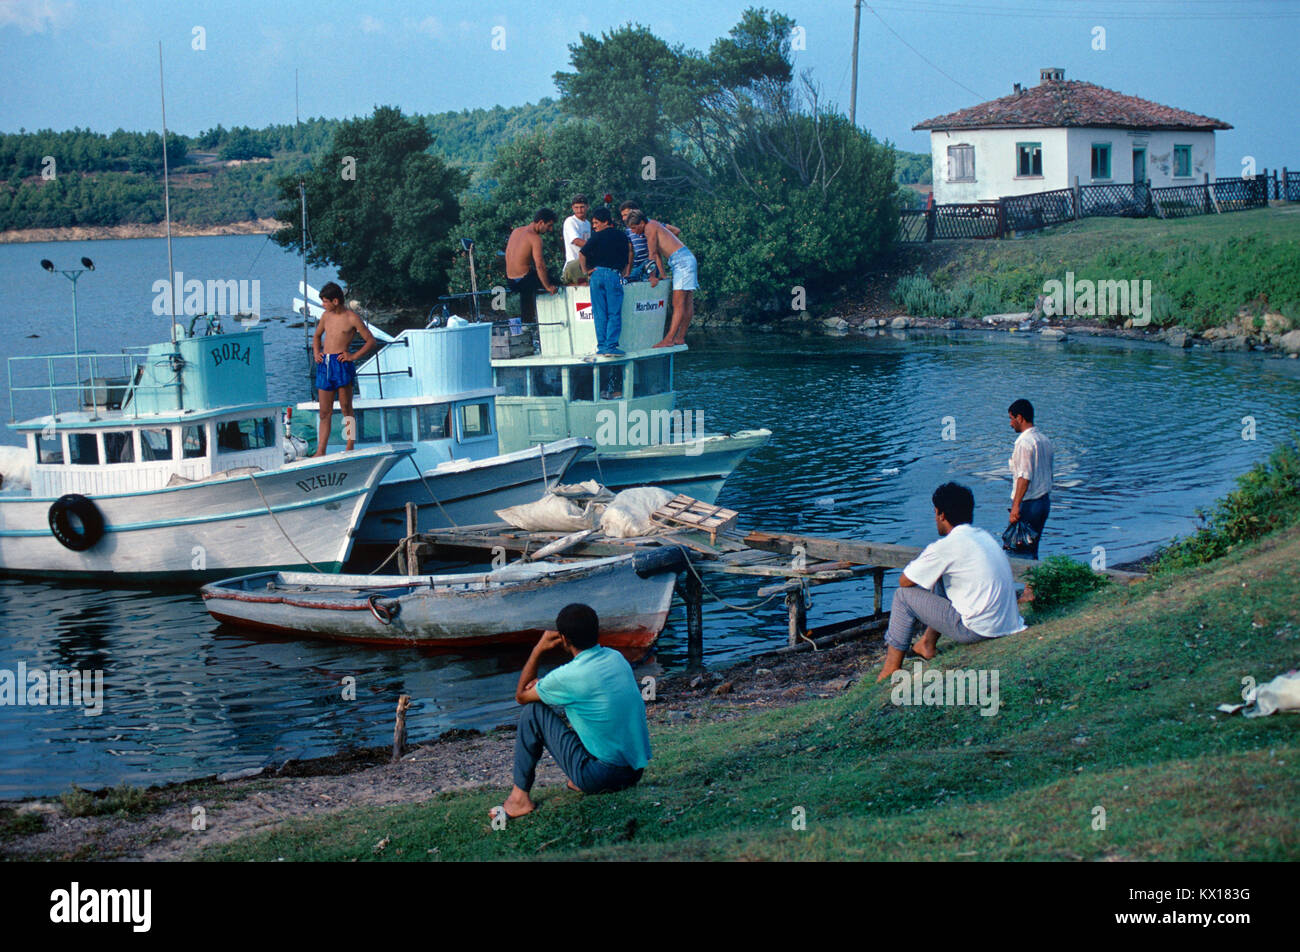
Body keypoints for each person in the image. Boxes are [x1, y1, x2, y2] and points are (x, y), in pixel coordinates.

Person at [493, 603, 651, 820]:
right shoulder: (616, 658)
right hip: (634, 772)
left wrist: (538, 648)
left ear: (564, 639)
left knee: (532, 711)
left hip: (603, 777)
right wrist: (548, 685)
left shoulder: (569, 676)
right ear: (597, 631)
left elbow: (520, 696)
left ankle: (519, 799)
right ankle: (583, 776)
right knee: (588, 711)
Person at [876, 482, 1025, 682]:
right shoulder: (984, 536)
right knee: (940, 577)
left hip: (978, 629)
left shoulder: (947, 546)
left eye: (935, 512)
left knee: (903, 597)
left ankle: (891, 669)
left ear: (941, 514)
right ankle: (927, 644)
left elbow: (904, 581)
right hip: (1007, 622)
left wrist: (927, 565)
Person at [311, 282, 377, 456]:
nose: (323, 305)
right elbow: (317, 336)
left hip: (342, 364)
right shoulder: (326, 316)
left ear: (335, 301)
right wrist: (317, 352)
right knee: (325, 411)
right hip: (325, 364)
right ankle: (321, 450)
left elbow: (370, 341)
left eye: (325, 301)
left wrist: (353, 356)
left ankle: (349, 445)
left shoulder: (352, 318)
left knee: (346, 406)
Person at [627, 210, 697, 347]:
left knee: (678, 303)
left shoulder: (649, 228)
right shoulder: (654, 224)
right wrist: (662, 274)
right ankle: (680, 337)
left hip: (682, 262)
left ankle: (670, 339)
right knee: (687, 301)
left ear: (641, 223)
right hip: (686, 258)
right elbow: (661, 250)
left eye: (634, 228)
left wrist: (652, 276)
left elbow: (652, 255)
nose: (634, 232)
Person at [580, 206, 633, 357]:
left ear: (605, 222)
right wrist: (624, 273)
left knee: (599, 313)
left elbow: (582, 254)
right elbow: (628, 255)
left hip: (596, 275)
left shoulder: (596, 236)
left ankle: (602, 347)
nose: (594, 226)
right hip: (612, 274)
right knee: (614, 313)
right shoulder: (622, 236)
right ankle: (611, 346)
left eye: (596, 223)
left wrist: (586, 272)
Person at [1006, 398, 1054, 559]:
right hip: (1044, 502)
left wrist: (1015, 507)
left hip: (1029, 504)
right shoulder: (1044, 440)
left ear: (1019, 417)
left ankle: (1025, 584)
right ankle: (1032, 585)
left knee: (1019, 551)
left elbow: (1024, 477)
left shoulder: (1024, 443)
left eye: (1011, 419)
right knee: (1032, 549)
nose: (1011, 424)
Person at [505, 209, 559, 323]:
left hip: (510, 281)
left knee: (531, 282)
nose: (550, 229)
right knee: (559, 283)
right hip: (523, 281)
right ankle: (532, 323)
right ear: (540, 223)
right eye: (549, 226)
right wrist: (548, 286)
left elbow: (508, 256)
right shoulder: (535, 238)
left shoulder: (516, 231)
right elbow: (540, 265)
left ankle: (527, 323)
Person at [618, 201, 679, 281]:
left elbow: (675, 230)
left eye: (626, 215)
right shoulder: (628, 230)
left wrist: (663, 246)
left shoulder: (649, 224)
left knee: (648, 284)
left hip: (650, 262)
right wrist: (628, 273)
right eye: (622, 216)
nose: (624, 218)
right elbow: (631, 252)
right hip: (637, 264)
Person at [561, 195, 591, 274]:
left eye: (582, 207)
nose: (579, 210)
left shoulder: (588, 223)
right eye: (576, 207)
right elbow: (576, 241)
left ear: (587, 207)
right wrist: (596, 247)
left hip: (584, 266)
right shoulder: (570, 221)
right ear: (572, 208)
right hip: (573, 265)